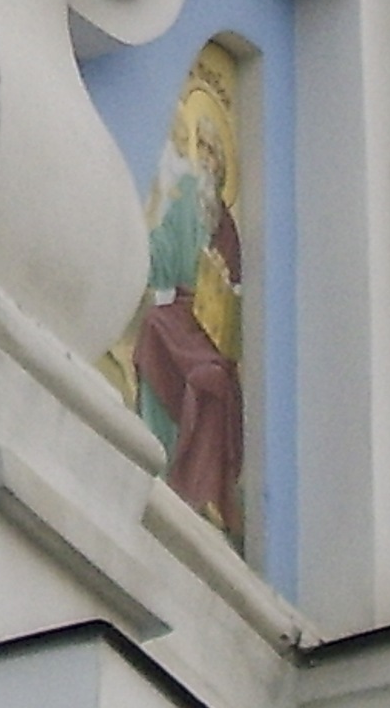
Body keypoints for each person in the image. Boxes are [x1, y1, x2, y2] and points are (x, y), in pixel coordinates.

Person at [134, 109, 245, 544]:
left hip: (212, 332)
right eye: (201, 151)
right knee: (153, 329)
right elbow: (159, 252)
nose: (206, 162)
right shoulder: (183, 201)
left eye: (212, 155)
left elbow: (235, 285)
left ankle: (205, 491)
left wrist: (224, 290)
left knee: (213, 378)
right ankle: (155, 455)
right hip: (180, 312)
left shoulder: (228, 226)